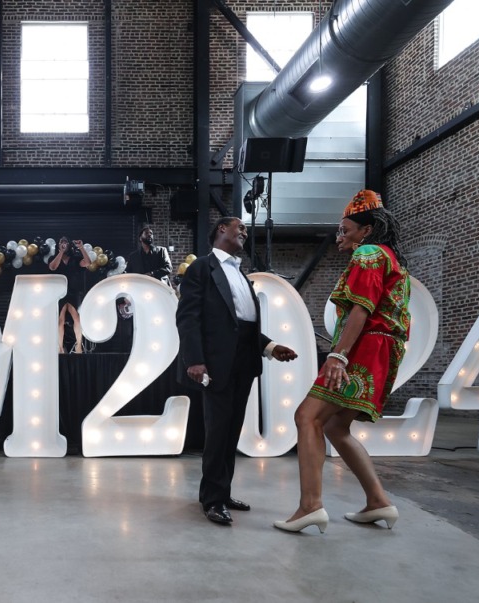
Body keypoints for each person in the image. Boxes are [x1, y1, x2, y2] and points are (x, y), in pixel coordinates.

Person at [274, 190, 411, 534]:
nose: (341, 234)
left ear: (366, 230)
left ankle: (310, 506)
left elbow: (362, 308)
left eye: (346, 228)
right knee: (335, 426)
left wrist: (338, 356)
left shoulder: (367, 254)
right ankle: (378, 500)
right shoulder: (392, 259)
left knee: (306, 417)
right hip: (383, 352)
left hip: (363, 349)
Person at [176, 216, 298, 526]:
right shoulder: (201, 268)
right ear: (220, 230)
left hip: (244, 362)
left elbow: (241, 325)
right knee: (217, 433)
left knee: (230, 433)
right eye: (238, 227)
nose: (244, 231)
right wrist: (194, 360)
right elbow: (188, 318)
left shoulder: (241, 274)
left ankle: (223, 491)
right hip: (215, 364)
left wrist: (270, 347)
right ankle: (212, 500)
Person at [48, 237, 91, 354]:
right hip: (59, 291)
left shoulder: (75, 258)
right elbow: (52, 267)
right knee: (60, 319)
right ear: (58, 245)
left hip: (73, 291)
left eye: (65, 242)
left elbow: (87, 263)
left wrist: (81, 248)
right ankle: (60, 347)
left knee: (76, 317)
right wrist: (60, 252)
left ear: (69, 245)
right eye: (61, 242)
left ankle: (78, 346)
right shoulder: (54, 258)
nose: (63, 243)